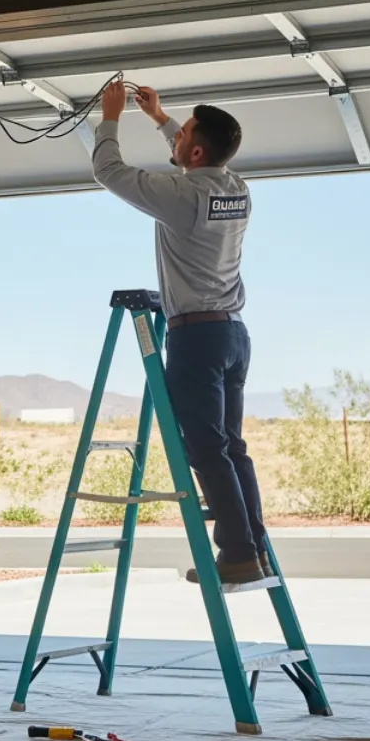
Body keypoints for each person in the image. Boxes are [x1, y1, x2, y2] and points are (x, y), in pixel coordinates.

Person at [91, 79, 271, 586]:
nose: (176, 139)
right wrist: (160, 118)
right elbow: (195, 157)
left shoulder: (180, 197)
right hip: (234, 336)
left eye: (182, 135)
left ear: (192, 151)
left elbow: (108, 170)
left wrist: (111, 117)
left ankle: (236, 554)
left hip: (196, 338)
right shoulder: (236, 189)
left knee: (203, 449)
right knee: (230, 448)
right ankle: (252, 547)